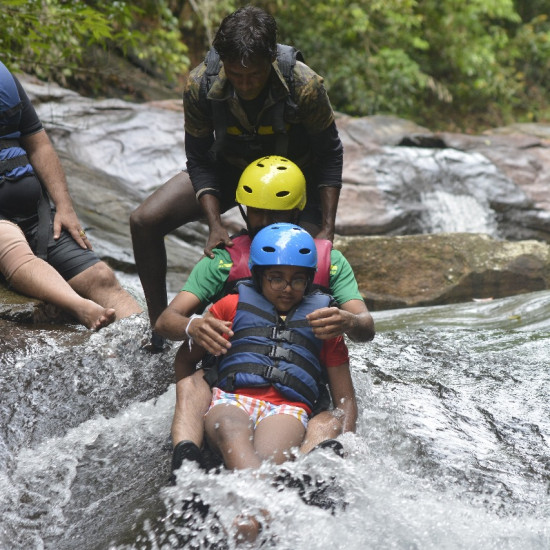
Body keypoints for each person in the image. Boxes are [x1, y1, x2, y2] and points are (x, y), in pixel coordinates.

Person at [130, 5, 344, 350]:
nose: (245, 84)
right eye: (236, 75)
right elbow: (198, 157)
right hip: (231, 169)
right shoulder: (201, 82)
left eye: (254, 76)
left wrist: (328, 227)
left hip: (294, 182)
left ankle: (289, 346)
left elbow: (330, 153)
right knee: (144, 220)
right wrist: (215, 222)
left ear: (271, 60)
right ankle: (161, 327)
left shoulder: (303, 84)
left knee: (292, 258)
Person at [153, 156, 374, 476]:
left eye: (277, 211)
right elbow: (165, 321)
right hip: (232, 373)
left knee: (330, 418)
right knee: (194, 381)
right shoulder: (223, 261)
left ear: (297, 210)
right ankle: (186, 453)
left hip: (297, 386)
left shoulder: (331, 261)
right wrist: (194, 325)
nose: (267, 220)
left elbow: (365, 326)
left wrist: (350, 321)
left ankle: (314, 469)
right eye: (257, 210)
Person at [203, 223, 357, 542]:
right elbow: (188, 362)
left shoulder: (325, 320)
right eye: (276, 278)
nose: (287, 288)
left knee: (273, 458)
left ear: (309, 280)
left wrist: (349, 446)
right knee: (232, 430)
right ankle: (261, 513)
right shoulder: (229, 306)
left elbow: (345, 398)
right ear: (259, 276)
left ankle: (251, 521)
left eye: (297, 279)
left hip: (286, 410)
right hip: (230, 400)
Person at [0, 61, 142, 329]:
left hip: (34, 212)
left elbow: (38, 143)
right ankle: (80, 307)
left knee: (101, 277)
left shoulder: (4, 78)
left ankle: (150, 347)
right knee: (13, 249)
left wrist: (64, 207)